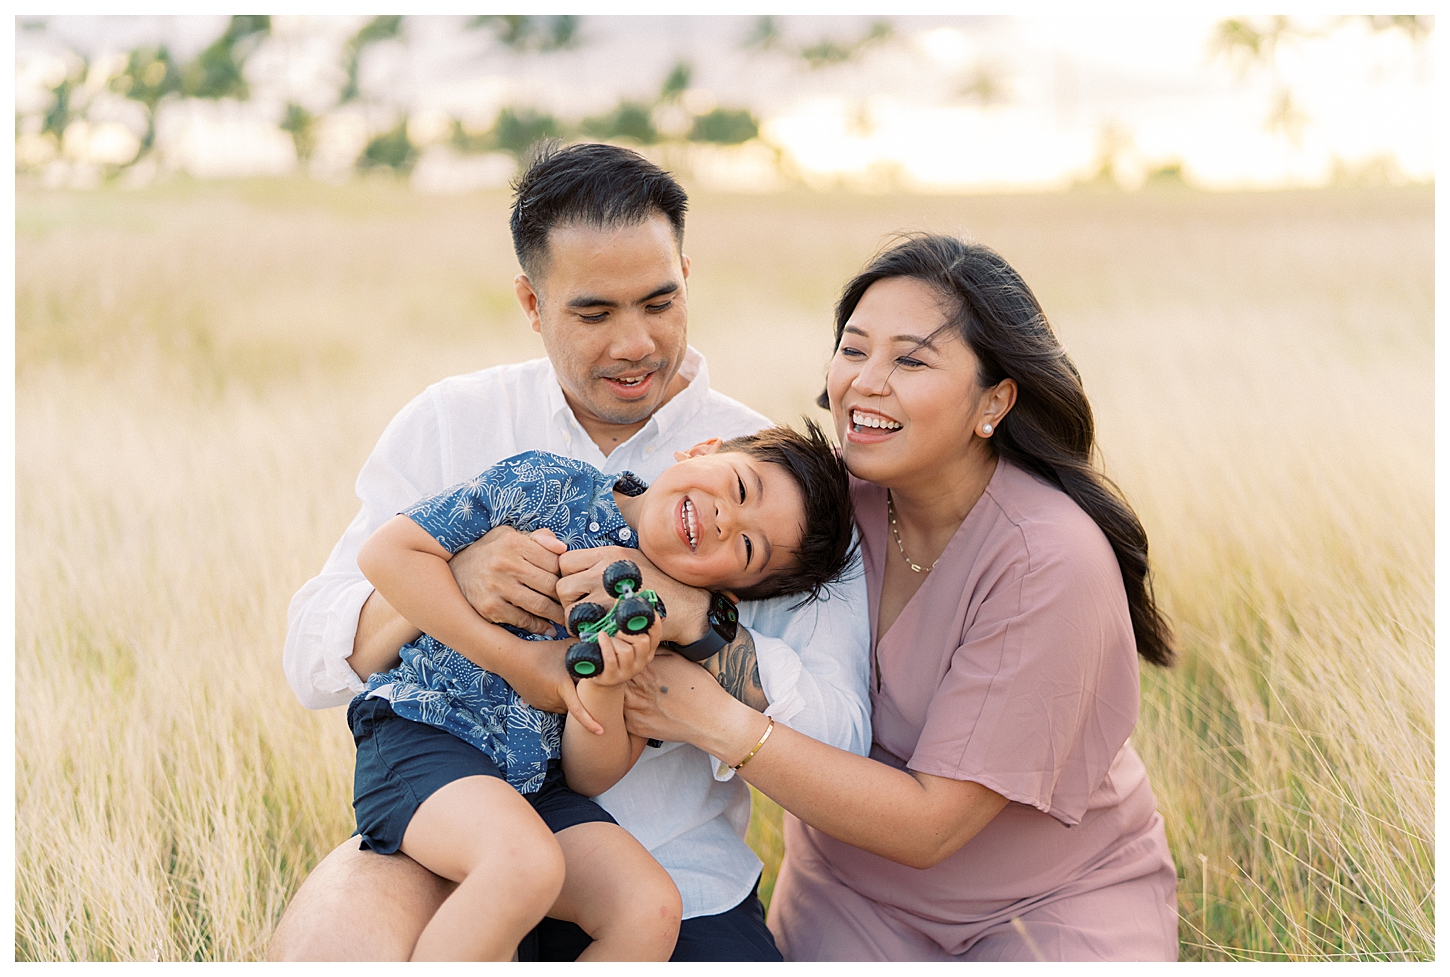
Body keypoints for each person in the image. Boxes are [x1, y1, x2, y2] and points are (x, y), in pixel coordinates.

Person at [270, 142, 871, 962]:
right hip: (452, 848)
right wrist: (455, 582)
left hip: (676, 879)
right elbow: (312, 657)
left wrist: (701, 621)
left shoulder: (776, 490)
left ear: (687, 274)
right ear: (531, 299)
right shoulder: (458, 424)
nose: (634, 343)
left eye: (660, 302)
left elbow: (843, 736)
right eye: (595, 313)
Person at [620, 234, 1181, 961]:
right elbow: (668, 526)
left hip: (1048, 901)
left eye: (911, 359)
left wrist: (718, 722)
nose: (865, 382)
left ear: (995, 401)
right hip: (850, 896)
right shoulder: (819, 511)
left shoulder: (1050, 559)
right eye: (854, 350)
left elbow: (930, 828)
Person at [347, 427, 854, 960]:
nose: (727, 519)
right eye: (740, 487)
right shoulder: (548, 483)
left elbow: (590, 775)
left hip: (536, 786)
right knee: (521, 864)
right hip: (428, 730)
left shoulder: (658, 620)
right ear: (705, 449)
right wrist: (515, 661)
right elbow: (388, 553)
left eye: (748, 547)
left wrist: (606, 687)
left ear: (733, 589)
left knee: (649, 907)